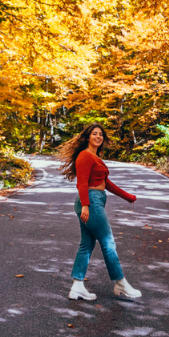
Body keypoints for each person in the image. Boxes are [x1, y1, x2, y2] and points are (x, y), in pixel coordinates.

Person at [58, 123, 141, 301]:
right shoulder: (85, 156)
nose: (98, 136)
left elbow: (106, 183)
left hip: (94, 200)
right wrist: (86, 206)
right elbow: (81, 183)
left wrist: (127, 196)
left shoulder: (95, 157)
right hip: (90, 201)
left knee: (86, 244)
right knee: (108, 242)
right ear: (87, 137)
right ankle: (120, 282)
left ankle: (77, 286)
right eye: (94, 134)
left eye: (100, 134)